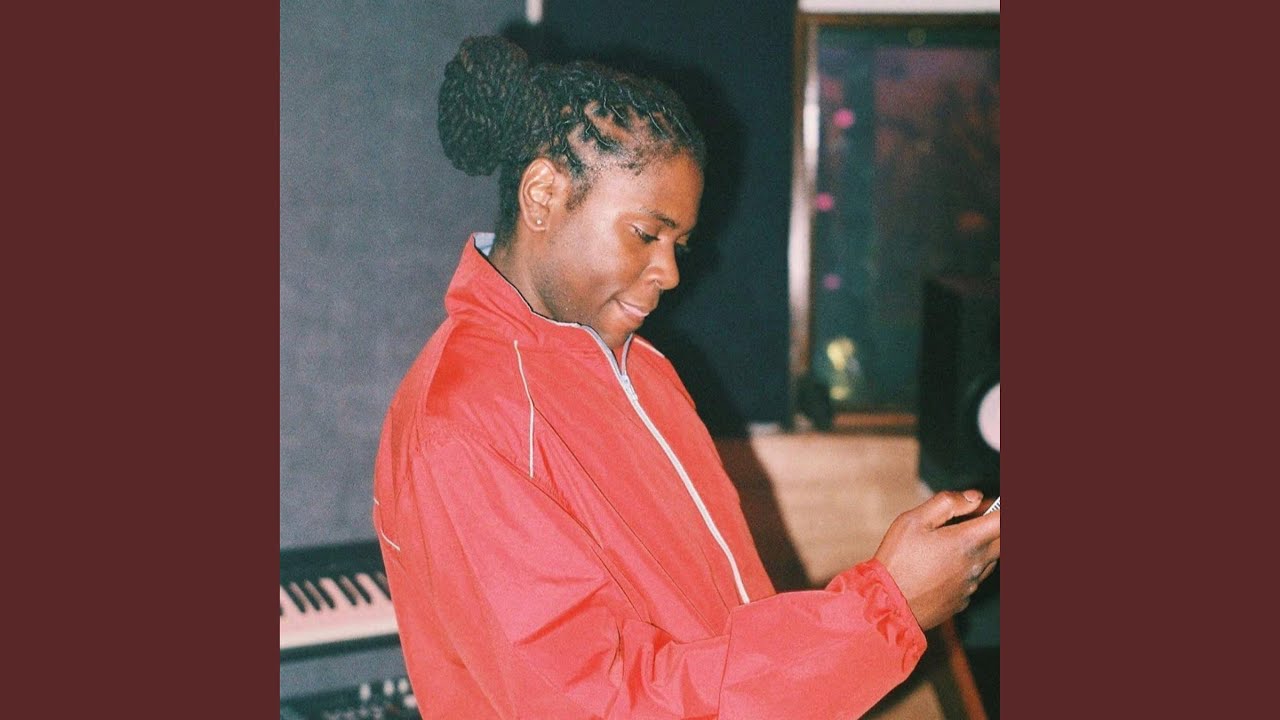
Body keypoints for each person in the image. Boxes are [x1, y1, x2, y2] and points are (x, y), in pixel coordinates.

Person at [372, 35, 1000, 719]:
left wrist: (884, 607)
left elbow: (723, 630)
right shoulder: (463, 424)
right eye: (647, 234)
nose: (670, 274)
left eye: (680, 244)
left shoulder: (642, 367)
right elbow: (604, 704)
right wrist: (886, 611)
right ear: (543, 194)